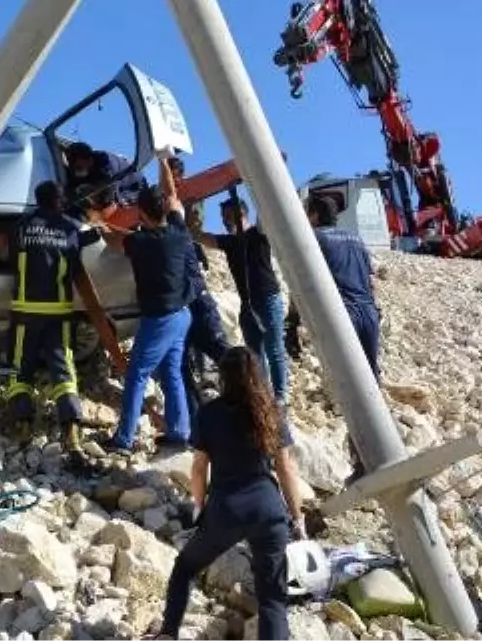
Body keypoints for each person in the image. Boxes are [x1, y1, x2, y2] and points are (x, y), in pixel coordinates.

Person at [153, 347, 307, 641]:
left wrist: (198, 507)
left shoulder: (209, 413)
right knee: (273, 599)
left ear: (223, 377)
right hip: (268, 511)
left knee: (185, 568)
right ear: (257, 376)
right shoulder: (271, 411)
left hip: (227, 510)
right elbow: (286, 468)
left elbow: (199, 469)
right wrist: (297, 517)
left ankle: (168, 634)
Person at [5, 180, 121, 466]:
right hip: (57, 314)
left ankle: (22, 423)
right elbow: (89, 238)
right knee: (63, 369)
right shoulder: (70, 227)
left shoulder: (20, 225)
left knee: (21, 369)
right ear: (59, 200)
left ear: (37, 199)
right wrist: (98, 229)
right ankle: (71, 429)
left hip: (24, 312)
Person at [97, 158, 193, 455]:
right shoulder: (178, 231)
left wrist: (98, 224)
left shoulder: (140, 243)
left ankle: (124, 439)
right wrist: (164, 161)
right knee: (172, 373)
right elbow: (173, 195)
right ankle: (180, 432)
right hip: (182, 315)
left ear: (140, 213)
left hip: (161, 319)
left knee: (137, 373)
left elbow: (113, 241)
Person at [304, 193, 382, 480]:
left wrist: (295, 320)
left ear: (313, 215)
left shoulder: (316, 240)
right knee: (372, 384)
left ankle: (362, 462)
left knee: (351, 389)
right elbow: (371, 281)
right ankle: (382, 450)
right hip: (368, 313)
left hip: (344, 314)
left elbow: (306, 281)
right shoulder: (356, 239)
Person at [192, 197, 291, 404]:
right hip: (247, 303)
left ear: (241, 214)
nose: (225, 222)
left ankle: (281, 397)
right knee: (255, 354)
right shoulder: (229, 242)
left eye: (227, 217)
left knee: (274, 350)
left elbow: (267, 207)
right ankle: (263, 394)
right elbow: (202, 237)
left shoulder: (258, 233)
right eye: (223, 218)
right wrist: (190, 224)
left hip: (268, 299)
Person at [164, 157, 230, 419]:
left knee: (218, 351)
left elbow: (191, 220)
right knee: (180, 361)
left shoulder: (182, 216)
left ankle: (243, 399)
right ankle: (195, 422)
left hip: (193, 298)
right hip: (182, 303)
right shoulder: (170, 224)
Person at [65, 141, 148, 212]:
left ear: (90, 160)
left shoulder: (105, 165)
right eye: (71, 163)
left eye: (79, 167)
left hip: (132, 184)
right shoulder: (74, 170)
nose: (75, 169)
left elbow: (110, 195)